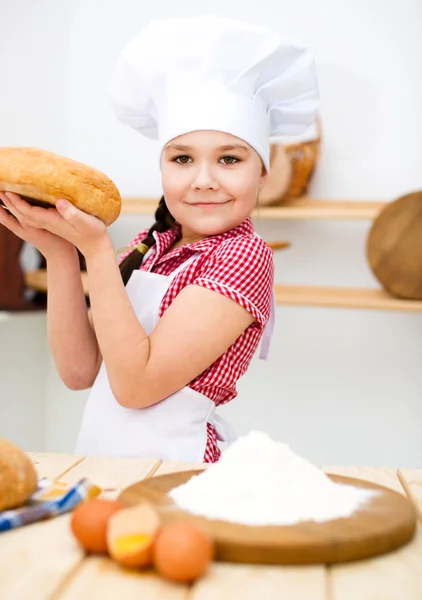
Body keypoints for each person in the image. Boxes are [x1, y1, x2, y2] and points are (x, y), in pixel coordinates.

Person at [0, 15, 319, 462]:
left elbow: (136, 387)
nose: (204, 180)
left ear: (262, 173)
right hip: (105, 466)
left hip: (180, 473)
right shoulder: (151, 245)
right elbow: (79, 371)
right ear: (163, 165)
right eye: (183, 158)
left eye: (229, 159)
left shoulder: (244, 255)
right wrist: (60, 253)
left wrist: (96, 250)